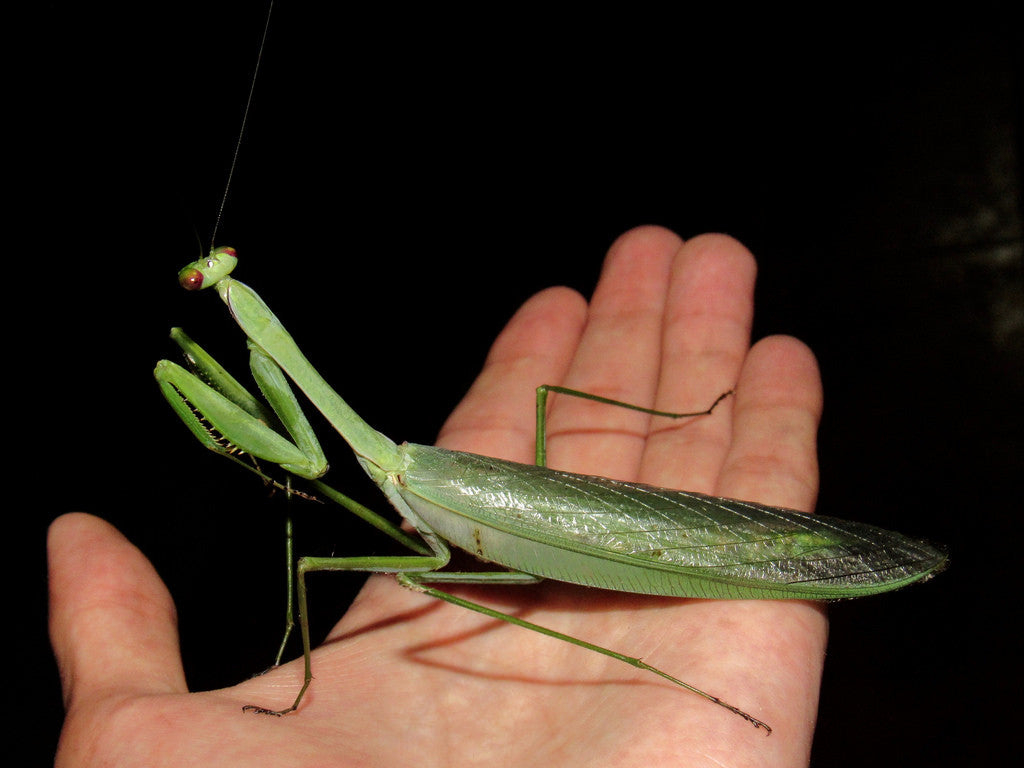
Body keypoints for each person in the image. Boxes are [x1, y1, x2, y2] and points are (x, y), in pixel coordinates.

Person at [49, 226, 825, 766]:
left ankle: (662, 668)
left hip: (518, 522)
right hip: (449, 484)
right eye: (204, 272)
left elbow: (303, 460)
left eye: (213, 267)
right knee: (540, 394)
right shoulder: (372, 450)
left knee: (317, 561)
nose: (210, 273)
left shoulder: (361, 460)